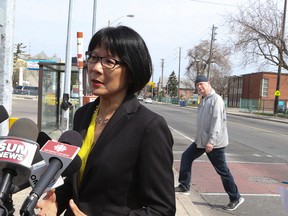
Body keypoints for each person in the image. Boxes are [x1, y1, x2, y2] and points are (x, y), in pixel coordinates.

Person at [36, 26, 176, 215]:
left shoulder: (149, 127)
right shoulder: (83, 114)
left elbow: (162, 210)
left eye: (109, 61)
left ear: (132, 71)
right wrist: (56, 202)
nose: (95, 68)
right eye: (93, 57)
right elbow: (77, 184)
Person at [175, 75, 244, 211]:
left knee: (222, 171)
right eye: (197, 85)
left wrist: (211, 142)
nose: (199, 87)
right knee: (186, 157)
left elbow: (216, 122)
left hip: (214, 144)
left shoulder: (216, 100)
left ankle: (235, 197)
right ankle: (184, 186)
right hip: (201, 141)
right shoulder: (204, 100)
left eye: (201, 84)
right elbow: (202, 123)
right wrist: (199, 139)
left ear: (208, 83)